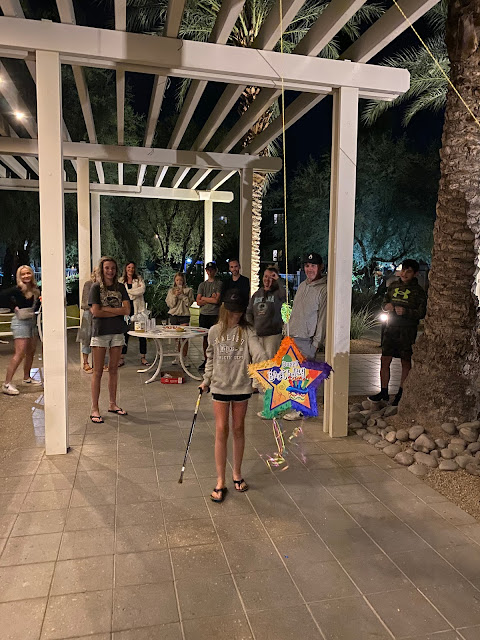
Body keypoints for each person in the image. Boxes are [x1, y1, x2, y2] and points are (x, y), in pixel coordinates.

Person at [199, 289, 266, 503]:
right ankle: (220, 480)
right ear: (224, 308)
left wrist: (267, 368)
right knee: (221, 429)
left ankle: (237, 473)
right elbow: (210, 358)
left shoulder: (247, 331)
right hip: (219, 386)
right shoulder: (214, 331)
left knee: (238, 428)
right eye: (232, 311)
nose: (236, 315)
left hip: (241, 387)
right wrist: (206, 380)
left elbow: (259, 353)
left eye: (239, 311)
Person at [369, 259, 427, 406]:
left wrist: (406, 311)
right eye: (403, 269)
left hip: (407, 330)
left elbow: (422, 312)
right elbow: (384, 302)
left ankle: (401, 393)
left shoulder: (418, 291)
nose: (404, 273)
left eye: (409, 271)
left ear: (415, 273)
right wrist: (386, 307)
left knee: (405, 361)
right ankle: (383, 392)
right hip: (390, 328)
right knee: (385, 359)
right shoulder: (393, 286)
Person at [282, 252, 327, 421]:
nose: (310, 269)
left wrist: (316, 342)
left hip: (308, 339)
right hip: (294, 336)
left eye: (313, 265)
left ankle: (301, 410)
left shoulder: (324, 289)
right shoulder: (302, 285)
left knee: (304, 376)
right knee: (294, 375)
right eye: (307, 266)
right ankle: (297, 406)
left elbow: (323, 317)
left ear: (320, 267)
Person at [89, 256, 130, 423]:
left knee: (113, 369)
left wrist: (106, 309)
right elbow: (95, 312)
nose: (110, 271)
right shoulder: (95, 288)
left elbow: (127, 310)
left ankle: (112, 404)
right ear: (102, 269)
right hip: (100, 332)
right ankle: (95, 408)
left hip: (118, 332)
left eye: (113, 268)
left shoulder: (121, 287)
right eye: (107, 268)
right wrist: (116, 310)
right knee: (98, 371)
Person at [246, 266, 286, 414]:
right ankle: (256, 384)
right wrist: (251, 326)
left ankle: (270, 387)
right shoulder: (257, 294)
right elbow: (249, 311)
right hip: (258, 332)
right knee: (257, 359)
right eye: (266, 277)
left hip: (272, 333)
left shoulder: (278, 294)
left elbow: (285, 295)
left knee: (270, 359)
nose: (267, 280)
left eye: (271, 277)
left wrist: (278, 280)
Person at [1, 265, 42, 396]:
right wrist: (13, 306)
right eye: (23, 274)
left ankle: (27, 377)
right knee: (20, 353)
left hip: (32, 321)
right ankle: (7, 383)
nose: (26, 276)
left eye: (28, 273)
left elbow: (37, 304)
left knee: (31, 351)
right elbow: (2, 296)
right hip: (20, 322)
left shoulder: (35, 289)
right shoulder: (17, 289)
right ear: (19, 276)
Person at [119, 261, 149, 367]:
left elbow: (142, 290)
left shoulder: (139, 279)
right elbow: (121, 293)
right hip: (126, 309)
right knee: (125, 333)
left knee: (141, 334)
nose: (130, 269)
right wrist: (134, 291)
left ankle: (143, 357)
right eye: (129, 267)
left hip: (138, 309)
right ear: (126, 268)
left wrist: (128, 292)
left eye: (132, 267)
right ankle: (121, 357)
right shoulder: (121, 281)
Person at [196, 262, 222, 370]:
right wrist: (210, 298)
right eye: (208, 270)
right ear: (206, 271)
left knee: (216, 338)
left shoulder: (218, 284)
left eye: (212, 270)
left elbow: (216, 300)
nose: (210, 272)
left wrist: (204, 298)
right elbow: (198, 301)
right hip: (204, 314)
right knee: (205, 338)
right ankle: (206, 359)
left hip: (214, 314)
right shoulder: (202, 285)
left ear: (215, 271)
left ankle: (216, 359)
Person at [166, 272, 195, 363]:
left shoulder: (189, 290)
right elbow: (170, 305)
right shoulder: (171, 291)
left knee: (184, 337)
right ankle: (178, 356)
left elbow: (189, 303)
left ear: (183, 281)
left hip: (184, 315)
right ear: (175, 281)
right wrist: (175, 296)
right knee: (176, 338)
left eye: (181, 280)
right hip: (174, 315)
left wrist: (182, 296)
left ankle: (184, 357)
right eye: (177, 280)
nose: (179, 282)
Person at [76, 270, 97, 373]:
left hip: (101, 313)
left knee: (100, 338)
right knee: (86, 338)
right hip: (89, 314)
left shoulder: (105, 285)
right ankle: (85, 362)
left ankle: (99, 363)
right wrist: (93, 309)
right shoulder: (88, 284)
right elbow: (85, 301)